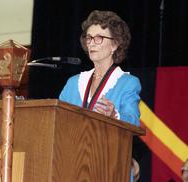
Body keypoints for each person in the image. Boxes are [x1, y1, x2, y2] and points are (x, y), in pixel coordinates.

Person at [59, 10, 141, 181]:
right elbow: (57, 121)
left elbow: (134, 122)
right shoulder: (74, 83)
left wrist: (114, 115)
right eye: (89, 38)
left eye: (99, 38)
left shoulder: (128, 82)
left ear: (115, 44)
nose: (92, 44)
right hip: (71, 165)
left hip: (110, 167)